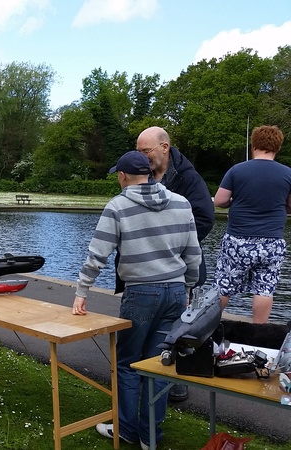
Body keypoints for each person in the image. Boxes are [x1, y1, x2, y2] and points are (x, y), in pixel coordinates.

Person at [72, 151, 201, 450]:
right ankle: (150, 436)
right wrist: (188, 291)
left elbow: (97, 255)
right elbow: (194, 254)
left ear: (123, 176)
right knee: (159, 364)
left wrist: (82, 292)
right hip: (174, 291)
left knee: (129, 364)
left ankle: (128, 430)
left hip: (141, 292)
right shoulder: (181, 203)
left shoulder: (118, 206)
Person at [118, 126, 215, 403]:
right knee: (146, 331)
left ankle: (174, 382)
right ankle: (142, 379)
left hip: (179, 268)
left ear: (164, 147)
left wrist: (172, 245)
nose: (141, 156)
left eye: (145, 150)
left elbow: (205, 218)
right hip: (144, 272)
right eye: (138, 151)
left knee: (178, 329)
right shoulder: (140, 174)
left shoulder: (188, 178)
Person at [213, 125, 291, 324]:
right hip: (271, 242)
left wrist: (236, 202)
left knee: (224, 285)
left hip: (238, 240)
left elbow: (220, 201)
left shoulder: (237, 170)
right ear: (278, 146)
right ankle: (259, 333)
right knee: (264, 289)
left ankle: (208, 327)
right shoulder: (287, 174)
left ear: (253, 144)